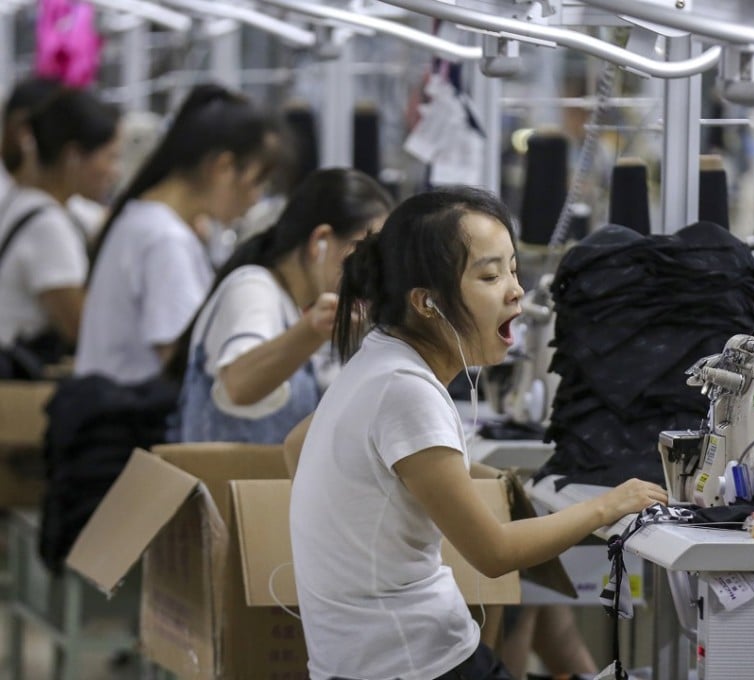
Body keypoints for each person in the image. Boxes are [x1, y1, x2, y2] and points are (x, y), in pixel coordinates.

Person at [289, 186, 668, 680]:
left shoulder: (378, 360)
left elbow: (296, 446)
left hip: (362, 660)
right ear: (426, 302)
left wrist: (434, 480)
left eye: (512, 269)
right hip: (413, 664)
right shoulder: (407, 390)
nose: (515, 290)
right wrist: (609, 505)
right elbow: (495, 554)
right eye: (490, 275)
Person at [168, 167, 393, 444]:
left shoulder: (295, 305)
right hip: (227, 485)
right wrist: (310, 331)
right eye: (361, 252)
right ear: (319, 242)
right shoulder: (253, 289)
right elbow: (238, 386)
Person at [74, 83, 277, 385]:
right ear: (223, 167)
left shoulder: (145, 219)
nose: (254, 199)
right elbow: (186, 363)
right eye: (256, 181)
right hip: (133, 425)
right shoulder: (165, 240)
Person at [0, 85, 120, 368]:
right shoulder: (48, 228)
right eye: (110, 156)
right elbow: (84, 330)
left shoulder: (22, 201)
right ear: (73, 156)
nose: (116, 171)